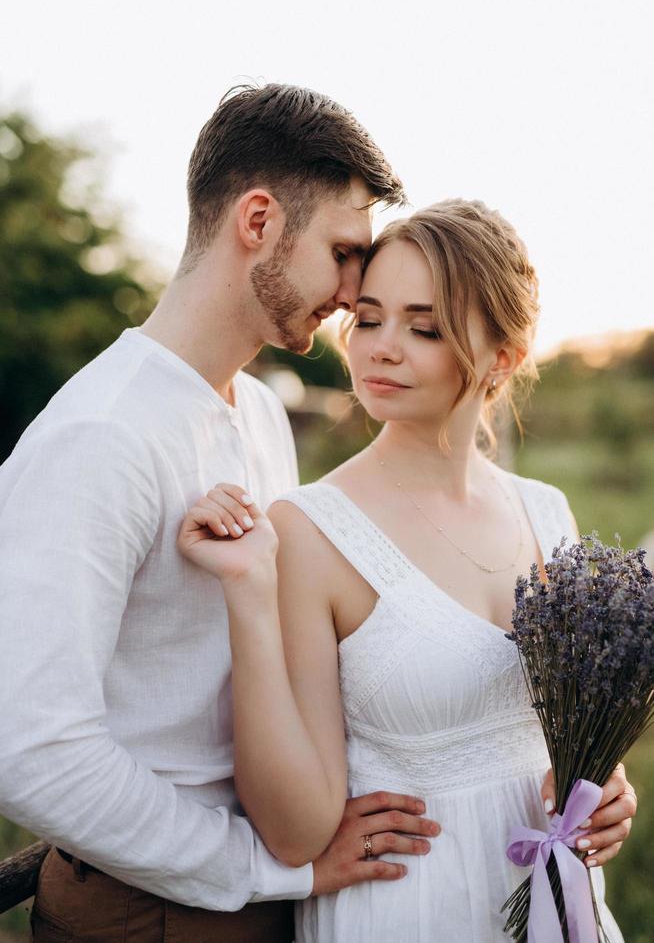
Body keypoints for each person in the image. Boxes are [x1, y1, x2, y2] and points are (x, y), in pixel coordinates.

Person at [0, 83, 442, 942]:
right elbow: (32, 750)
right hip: (150, 911)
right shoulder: (99, 436)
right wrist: (254, 867)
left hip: (268, 882)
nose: (357, 291)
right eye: (346, 252)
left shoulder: (262, 414)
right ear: (259, 221)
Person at [179, 199, 637, 942]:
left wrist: (607, 786)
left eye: (423, 328)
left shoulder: (548, 514)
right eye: (366, 317)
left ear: (504, 358)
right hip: (407, 908)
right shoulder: (310, 529)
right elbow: (296, 834)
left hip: (558, 908)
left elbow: (565, 739)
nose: (380, 349)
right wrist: (247, 592)